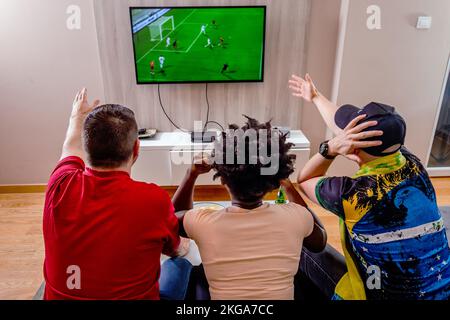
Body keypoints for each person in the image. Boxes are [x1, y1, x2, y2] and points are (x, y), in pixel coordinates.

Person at [289, 74, 450, 300]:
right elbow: (341, 125)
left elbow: (304, 180)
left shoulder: (353, 196)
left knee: (303, 245)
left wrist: (329, 149)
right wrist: (315, 97)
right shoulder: (415, 166)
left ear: (353, 148)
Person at [43, 89, 186, 300]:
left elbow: (69, 146)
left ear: (86, 148)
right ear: (136, 149)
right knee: (183, 263)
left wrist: (76, 117)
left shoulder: (59, 185)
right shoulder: (154, 199)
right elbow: (175, 249)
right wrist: (187, 245)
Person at [173, 116, 331, 300]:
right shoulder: (296, 217)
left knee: (196, 272)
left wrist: (191, 174)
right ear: (275, 181)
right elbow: (319, 241)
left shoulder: (202, 221)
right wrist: (288, 186)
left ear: (222, 178)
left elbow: (171, 220)